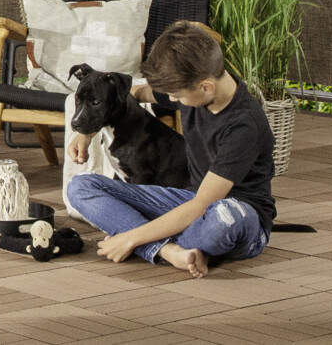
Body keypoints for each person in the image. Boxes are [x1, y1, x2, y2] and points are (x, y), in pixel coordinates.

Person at [66, 20, 276, 278]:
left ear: (206, 87)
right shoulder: (192, 84)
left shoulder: (243, 126)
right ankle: (168, 250)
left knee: (222, 220)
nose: (172, 99)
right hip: (187, 200)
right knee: (81, 187)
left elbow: (203, 204)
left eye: (176, 95)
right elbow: (132, 95)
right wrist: (86, 132)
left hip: (237, 213)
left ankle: (147, 237)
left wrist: (130, 237)